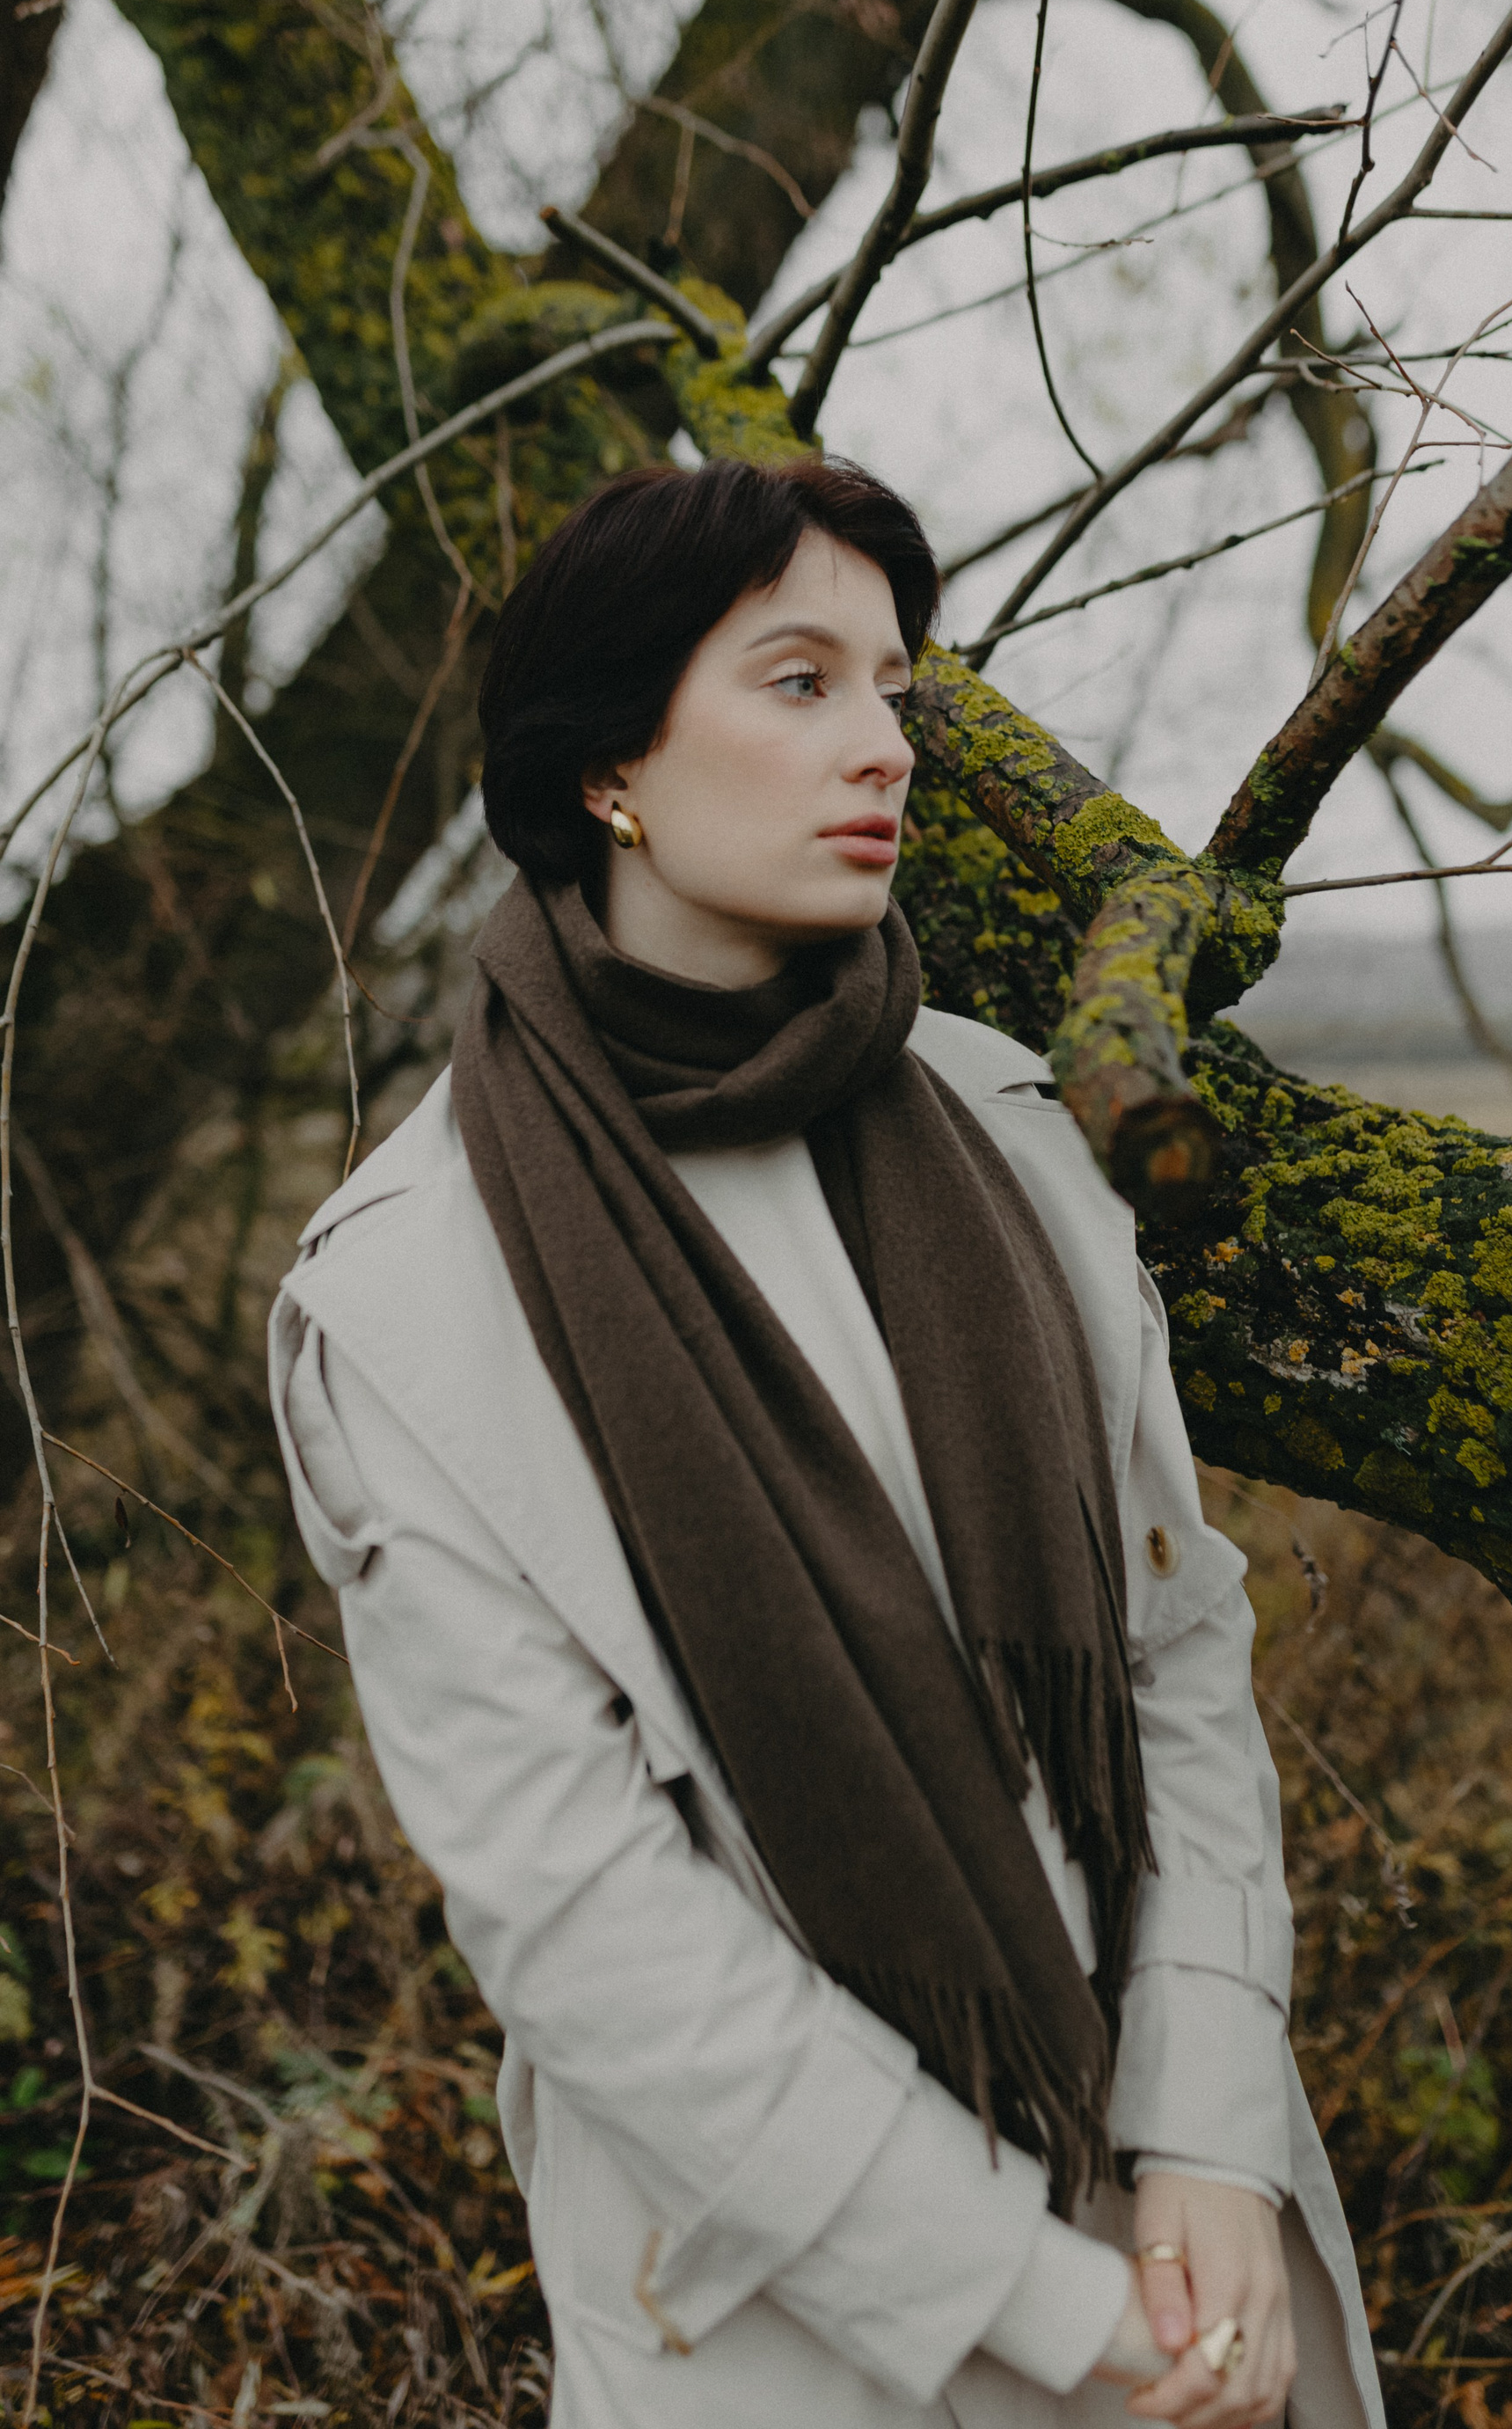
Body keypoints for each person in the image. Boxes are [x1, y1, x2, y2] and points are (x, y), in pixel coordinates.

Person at [269, 456, 1385, 2429]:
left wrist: (1210, 2130)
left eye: (892, 684)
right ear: (608, 765)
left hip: (1185, 2230)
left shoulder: (1012, 1132)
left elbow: (1173, 1649)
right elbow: (580, 1915)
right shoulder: (409, 1292)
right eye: (799, 682)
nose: (886, 743)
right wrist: (1036, 2304)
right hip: (808, 2319)